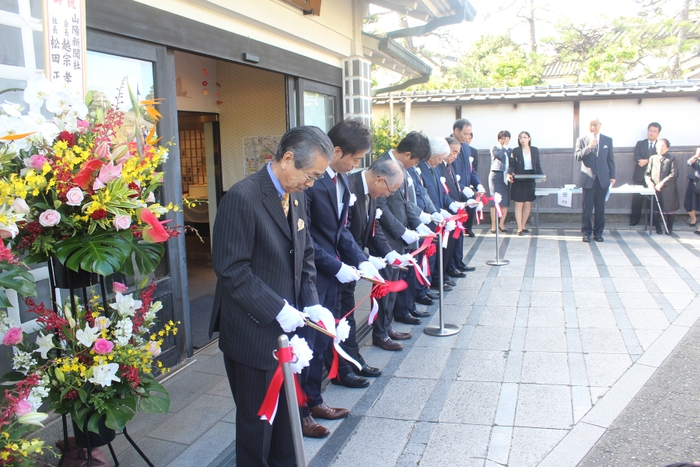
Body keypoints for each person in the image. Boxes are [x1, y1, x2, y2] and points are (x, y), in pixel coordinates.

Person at [209, 125, 333, 466]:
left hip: (287, 328)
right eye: (310, 175)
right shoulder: (242, 196)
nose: (311, 184)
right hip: (252, 329)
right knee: (258, 420)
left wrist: (312, 302)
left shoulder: (297, 194)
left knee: (287, 415)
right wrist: (277, 308)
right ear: (288, 159)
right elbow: (232, 270)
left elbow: (305, 253)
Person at [301, 120, 382, 436]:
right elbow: (306, 235)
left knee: (323, 342)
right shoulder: (312, 183)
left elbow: (341, 230)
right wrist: (335, 266)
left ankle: (315, 400)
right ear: (336, 151)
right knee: (309, 343)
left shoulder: (343, 181)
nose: (357, 165)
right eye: (356, 158)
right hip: (315, 275)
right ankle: (303, 411)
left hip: (336, 275)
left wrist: (362, 261)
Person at [374, 131, 432, 350]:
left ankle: (387, 327)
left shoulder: (402, 168)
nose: (414, 165)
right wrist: (400, 231)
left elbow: (405, 200)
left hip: (400, 236)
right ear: (407, 154)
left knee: (392, 288)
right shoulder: (383, 165)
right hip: (385, 239)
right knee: (384, 287)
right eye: (415, 160)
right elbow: (381, 207)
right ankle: (380, 333)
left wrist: (416, 222)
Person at [343, 158, 407, 355]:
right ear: (380, 180)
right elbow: (342, 232)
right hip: (341, 262)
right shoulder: (349, 188)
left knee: (348, 310)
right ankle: (347, 362)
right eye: (390, 189)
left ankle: (352, 359)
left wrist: (388, 252)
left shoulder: (371, 191)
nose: (389, 194)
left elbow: (373, 225)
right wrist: (363, 258)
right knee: (343, 315)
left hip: (355, 258)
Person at [418, 138, 459, 289]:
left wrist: (448, 205)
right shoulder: (420, 168)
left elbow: (440, 191)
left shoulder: (434, 168)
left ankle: (432, 282)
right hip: (426, 217)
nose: (440, 162)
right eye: (439, 158)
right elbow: (423, 195)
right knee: (427, 256)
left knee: (435, 255)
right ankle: (425, 287)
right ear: (431, 154)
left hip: (437, 216)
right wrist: (434, 212)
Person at [575, 118, 616, 243]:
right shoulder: (582, 140)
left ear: (600, 125)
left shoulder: (607, 140)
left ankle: (598, 233)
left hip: (602, 178)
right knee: (587, 208)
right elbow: (578, 156)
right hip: (588, 178)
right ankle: (586, 232)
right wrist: (589, 147)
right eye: (591, 125)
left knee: (600, 207)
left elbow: (610, 159)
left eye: (595, 125)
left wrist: (612, 176)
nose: (593, 127)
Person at [450, 119, 485, 239]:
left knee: (461, 230)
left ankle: (458, 258)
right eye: (465, 133)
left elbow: (470, 169)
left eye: (469, 134)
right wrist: (460, 187)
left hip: (465, 191)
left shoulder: (466, 147)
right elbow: (448, 172)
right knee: (453, 231)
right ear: (456, 130)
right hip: (452, 192)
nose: (467, 137)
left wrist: (477, 184)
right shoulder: (448, 146)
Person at [509, 131, 544, 235]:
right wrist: (510, 173)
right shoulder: (515, 150)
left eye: (525, 137)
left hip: (530, 177)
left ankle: (524, 225)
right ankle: (519, 227)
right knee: (519, 203)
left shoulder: (535, 150)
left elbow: (537, 164)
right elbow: (512, 165)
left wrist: (541, 175)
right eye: (520, 138)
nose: (522, 139)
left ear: (529, 138)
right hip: (519, 177)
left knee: (528, 203)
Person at [645, 138, 679, 234]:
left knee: (669, 208)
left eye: (663, 146)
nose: (660, 148)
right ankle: (658, 228)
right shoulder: (652, 158)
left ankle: (669, 229)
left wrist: (662, 183)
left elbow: (674, 174)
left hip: (668, 188)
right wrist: (650, 183)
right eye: (659, 146)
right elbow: (647, 174)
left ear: (667, 148)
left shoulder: (672, 158)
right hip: (655, 187)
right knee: (655, 208)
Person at [630, 122, 661, 226]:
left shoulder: (660, 145)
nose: (652, 133)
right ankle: (634, 219)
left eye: (654, 131)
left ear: (658, 133)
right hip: (639, 174)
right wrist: (642, 161)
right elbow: (636, 157)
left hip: (654, 176)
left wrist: (647, 161)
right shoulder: (640, 143)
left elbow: (659, 158)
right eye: (650, 130)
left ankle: (652, 220)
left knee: (652, 198)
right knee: (637, 198)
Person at [489, 131, 513, 233]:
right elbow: (498, 155)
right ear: (499, 139)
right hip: (496, 176)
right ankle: (493, 225)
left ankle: (501, 224)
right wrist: (504, 147)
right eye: (502, 138)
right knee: (495, 201)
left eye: (506, 138)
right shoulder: (494, 148)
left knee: (505, 201)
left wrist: (510, 173)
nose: (504, 140)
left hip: (506, 176)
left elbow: (512, 163)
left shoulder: (511, 150)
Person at [683, 148, 700, 234]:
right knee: (688, 203)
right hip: (694, 182)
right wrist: (696, 156)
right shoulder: (695, 159)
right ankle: (693, 219)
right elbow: (689, 162)